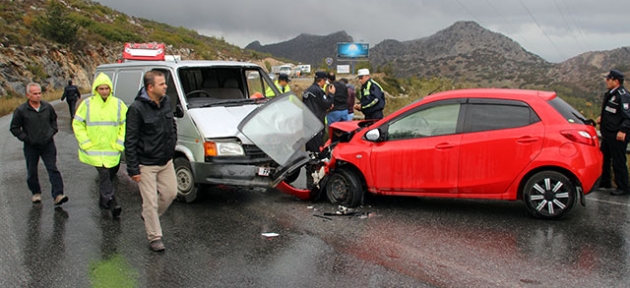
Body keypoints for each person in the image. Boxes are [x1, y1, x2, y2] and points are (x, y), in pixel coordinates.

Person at [125, 70, 178, 252]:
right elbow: (130, 140)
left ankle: (148, 216)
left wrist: (172, 146)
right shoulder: (136, 109)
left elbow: (172, 126)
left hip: (165, 161)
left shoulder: (166, 102)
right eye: (162, 84)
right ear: (150, 87)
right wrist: (133, 169)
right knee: (150, 202)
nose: (166, 87)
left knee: (170, 193)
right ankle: (155, 237)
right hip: (145, 164)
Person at [73, 73, 127, 217]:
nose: (104, 91)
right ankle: (112, 202)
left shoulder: (118, 104)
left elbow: (125, 124)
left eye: (106, 88)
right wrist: (85, 142)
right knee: (104, 175)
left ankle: (103, 201)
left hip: (112, 149)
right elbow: (78, 123)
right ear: (96, 89)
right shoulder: (87, 104)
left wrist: (119, 143)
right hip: (94, 149)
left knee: (108, 176)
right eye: (101, 88)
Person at [10, 82, 68, 206]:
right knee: (32, 171)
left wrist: (52, 132)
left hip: (48, 145)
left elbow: (53, 120)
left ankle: (58, 194)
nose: (38, 96)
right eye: (34, 93)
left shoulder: (47, 107)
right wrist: (26, 138)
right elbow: (14, 128)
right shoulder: (21, 110)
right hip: (31, 146)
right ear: (28, 95)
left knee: (52, 168)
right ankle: (36, 192)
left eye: (39, 93)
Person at [597, 69, 630, 196]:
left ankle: (623, 187)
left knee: (618, 161)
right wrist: (603, 118)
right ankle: (605, 182)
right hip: (608, 133)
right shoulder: (611, 93)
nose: (606, 81)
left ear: (615, 81)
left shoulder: (623, 95)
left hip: (617, 134)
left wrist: (623, 130)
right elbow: (612, 112)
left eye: (608, 79)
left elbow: (628, 115)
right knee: (604, 157)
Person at [303, 71, 333, 153]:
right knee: (317, 145)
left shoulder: (307, 91)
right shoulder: (318, 91)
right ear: (322, 80)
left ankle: (309, 158)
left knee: (309, 143)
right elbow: (326, 103)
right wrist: (331, 95)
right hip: (317, 121)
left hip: (307, 121)